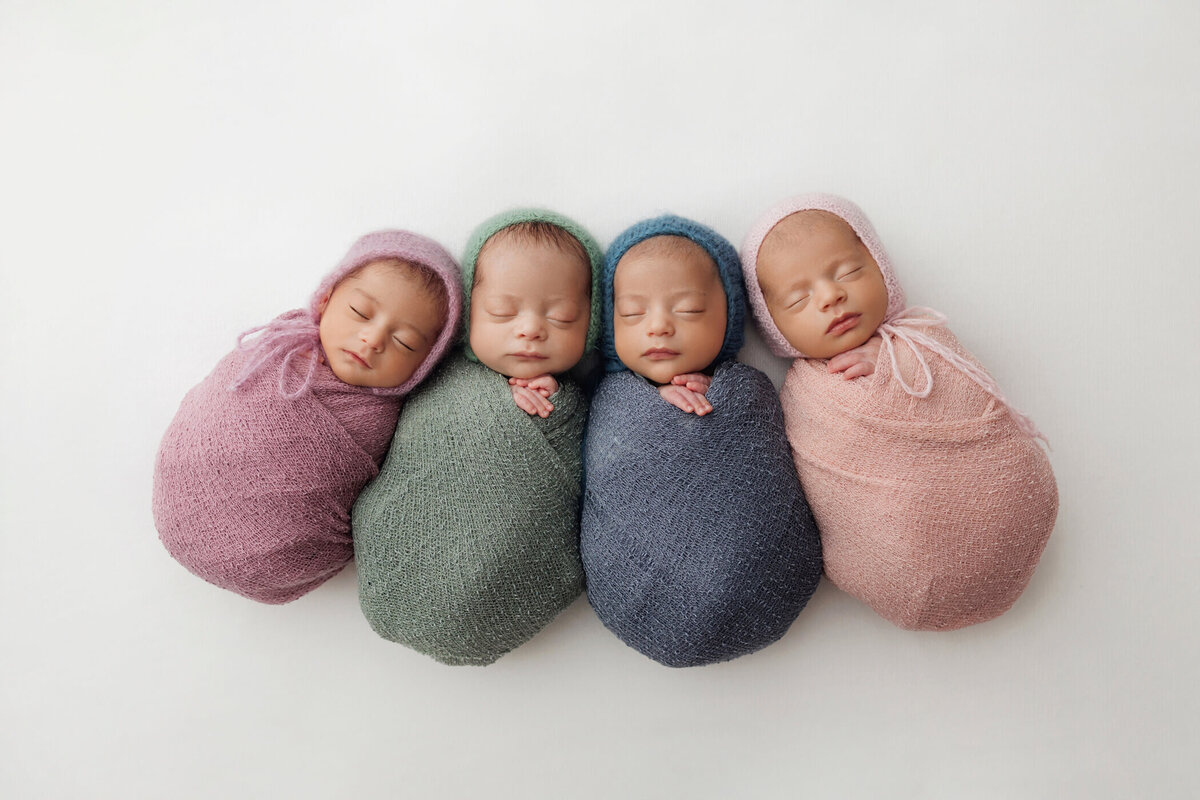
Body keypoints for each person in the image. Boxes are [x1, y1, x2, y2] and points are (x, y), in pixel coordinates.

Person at [741, 193, 1059, 630]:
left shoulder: (924, 340)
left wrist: (897, 361)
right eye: (798, 300)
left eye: (849, 272)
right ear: (773, 326)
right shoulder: (800, 398)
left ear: (882, 271)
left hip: (1000, 505)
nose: (831, 296)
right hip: (899, 558)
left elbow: (971, 391)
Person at [153, 230, 461, 604]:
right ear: (326, 299)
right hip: (179, 494)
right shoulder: (275, 347)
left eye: (405, 342)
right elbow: (215, 403)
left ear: (425, 365)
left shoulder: (392, 422)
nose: (373, 339)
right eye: (360, 313)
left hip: (282, 560)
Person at [352, 209, 603, 666]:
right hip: (402, 551)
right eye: (503, 313)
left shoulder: (588, 403)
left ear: (592, 325)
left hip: (500, 572)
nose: (530, 329)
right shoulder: (441, 380)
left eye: (562, 317)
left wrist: (557, 407)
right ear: (468, 317)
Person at [581, 215, 821, 667]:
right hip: (632, 588)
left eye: (688, 310)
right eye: (633, 313)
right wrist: (653, 400)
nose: (658, 327)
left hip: (760, 571)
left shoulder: (748, 391)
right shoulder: (607, 398)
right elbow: (609, 471)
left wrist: (716, 393)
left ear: (730, 315)